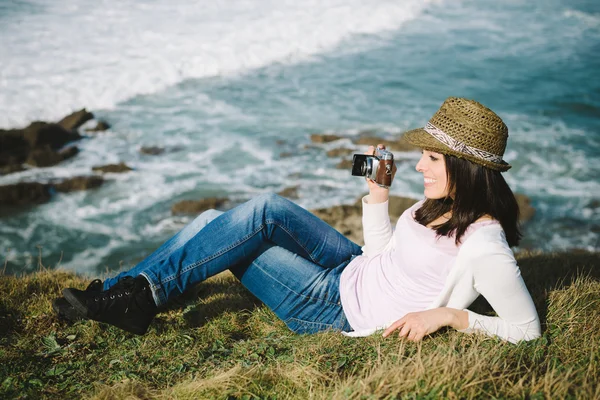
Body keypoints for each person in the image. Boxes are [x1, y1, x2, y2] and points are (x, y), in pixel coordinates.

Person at [54, 97, 541, 343]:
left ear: (465, 168)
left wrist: (451, 316)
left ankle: (131, 296)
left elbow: (526, 330)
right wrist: (378, 194)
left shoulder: (485, 244)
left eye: (432, 160)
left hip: (338, 311)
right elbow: (379, 255)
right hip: (352, 267)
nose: (419, 166)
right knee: (239, 212)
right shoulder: (437, 205)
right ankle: (127, 292)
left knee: (232, 234)